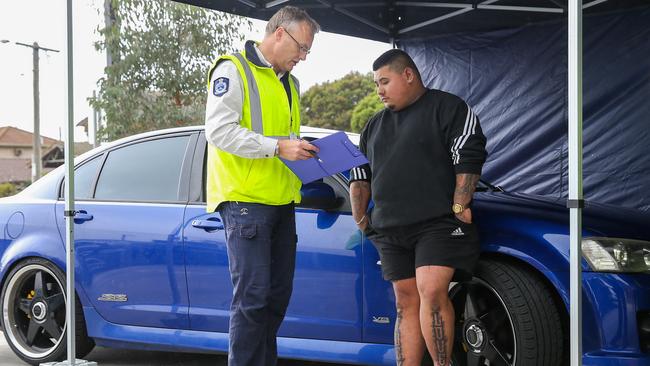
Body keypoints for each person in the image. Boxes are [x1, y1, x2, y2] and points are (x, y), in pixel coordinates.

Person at [349, 49, 487, 366]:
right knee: (404, 302)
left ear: (408, 75)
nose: (379, 90)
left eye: (384, 81)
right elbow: (360, 176)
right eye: (376, 84)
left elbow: (468, 154)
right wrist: (360, 218)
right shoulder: (373, 126)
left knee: (432, 291)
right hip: (390, 229)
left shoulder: (449, 108)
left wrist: (460, 202)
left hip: (437, 223)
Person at [203, 6, 320, 366]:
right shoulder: (233, 69)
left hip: (283, 201)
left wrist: (306, 152)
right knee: (252, 301)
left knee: (275, 300)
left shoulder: (291, 83)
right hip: (245, 202)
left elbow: (285, 139)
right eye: (301, 48)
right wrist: (277, 146)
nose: (303, 57)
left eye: (307, 52)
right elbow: (219, 131)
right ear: (280, 33)